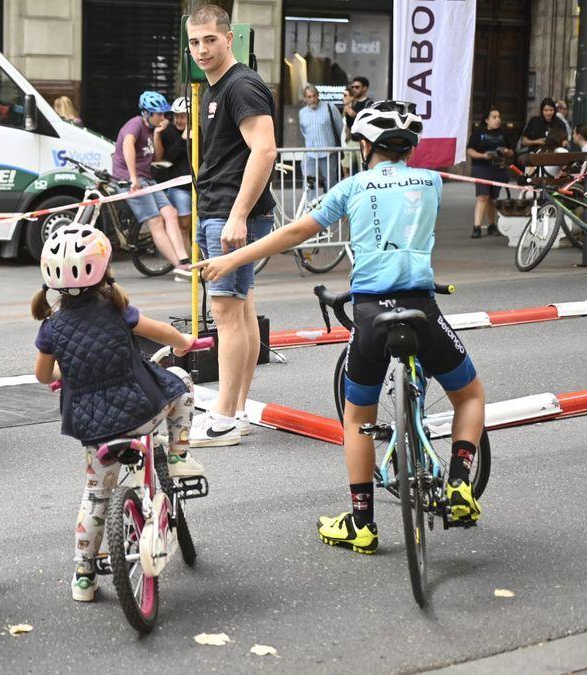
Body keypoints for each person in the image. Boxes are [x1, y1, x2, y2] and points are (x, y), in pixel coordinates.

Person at [191, 100, 487, 554]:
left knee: (358, 419)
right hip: (421, 309)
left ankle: (362, 523)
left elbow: (293, 234)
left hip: (370, 315)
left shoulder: (351, 187)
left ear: (365, 144)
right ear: (409, 147)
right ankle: (460, 482)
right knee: (469, 396)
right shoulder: (432, 181)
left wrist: (231, 257)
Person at [31, 225, 204, 602]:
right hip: (141, 412)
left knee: (94, 497)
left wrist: (68, 371)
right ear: (103, 268)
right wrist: (184, 341)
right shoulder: (116, 308)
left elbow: (44, 374)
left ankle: (83, 578)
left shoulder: (51, 327)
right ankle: (178, 455)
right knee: (181, 385)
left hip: (93, 429)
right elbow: (159, 331)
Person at [184, 4, 277, 447]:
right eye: (194, 41)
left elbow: (265, 151)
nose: (201, 49)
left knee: (225, 312)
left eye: (209, 40)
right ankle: (235, 409)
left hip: (229, 213)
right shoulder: (219, 86)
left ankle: (222, 417)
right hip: (223, 211)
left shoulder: (241, 85)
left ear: (229, 39)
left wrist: (237, 216)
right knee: (239, 308)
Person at [112, 91, 192, 273]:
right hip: (130, 179)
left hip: (148, 179)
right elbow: (127, 145)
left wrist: (157, 134)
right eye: (159, 114)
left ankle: (183, 258)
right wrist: (132, 178)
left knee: (171, 213)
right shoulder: (135, 124)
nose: (164, 117)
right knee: (156, 222)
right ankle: (180, 266)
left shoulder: (151, 129)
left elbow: (157, 157)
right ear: (147, 113)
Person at [465, 108, 513, 238]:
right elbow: (470, 150)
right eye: (494, 117)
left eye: (499, 117)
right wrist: (483, 156)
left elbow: (511, 151)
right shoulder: (479, 132)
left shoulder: (503, 133)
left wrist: (506, 152)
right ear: (487, 120)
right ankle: (477, 227)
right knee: (482, 196)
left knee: (492, 198)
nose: (498, 120)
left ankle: (492, 225)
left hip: (498, 168)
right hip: (482, 167)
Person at [159, 96, 194, 265]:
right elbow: (169, 157)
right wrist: (183, 140)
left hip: (199, 185)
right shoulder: (169, 132)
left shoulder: (200, 131)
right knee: (184, 226)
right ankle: (188, 263)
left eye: (183, 116)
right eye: (177, 116)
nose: (179, 120)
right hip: (179, 186)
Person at [298, 84, 343, 198]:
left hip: (328, 153)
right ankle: (309, 210)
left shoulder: (330, 107)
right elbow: (303, 131)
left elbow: (340, 128)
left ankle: (332, 210)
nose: (312, 99)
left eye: (314, 96)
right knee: (309, 184)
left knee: (330, 183)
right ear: (305, 98)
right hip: (311, 154)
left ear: (318, 95)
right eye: (309, 97)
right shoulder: (302, 113)